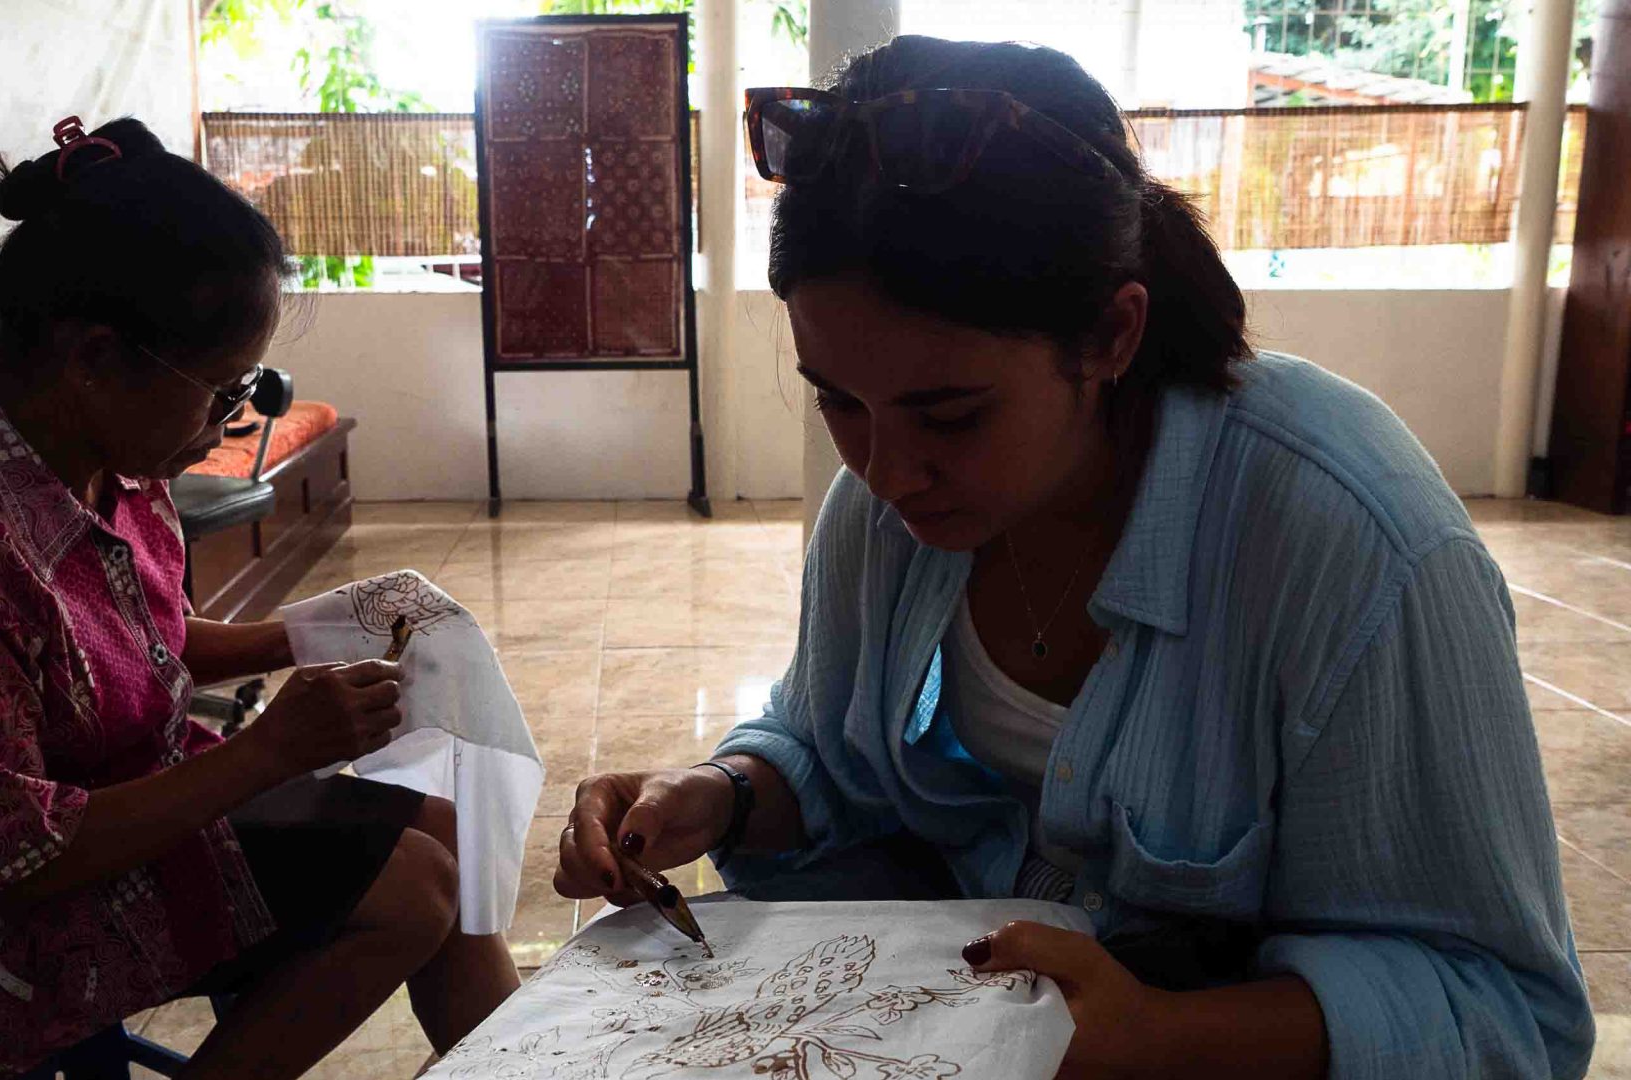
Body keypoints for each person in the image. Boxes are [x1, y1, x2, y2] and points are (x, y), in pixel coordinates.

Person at [555, 38, 1594, 1078]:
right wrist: (720, 788)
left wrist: (1165, 1039)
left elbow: (1504, 1012)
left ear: (1110, 336)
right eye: (836, 399)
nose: (884, 469)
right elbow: (831, 754)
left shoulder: (1351, 540)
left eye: (951, 415)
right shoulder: (883, 514)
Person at [0, 117, 519, 1080]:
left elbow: (148, 647)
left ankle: (535, 1063)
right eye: (220, 390)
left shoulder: (109, 464)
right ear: (95, 358)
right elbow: (13, 859)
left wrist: (328, 626)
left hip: (126, 799)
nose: (230, 420)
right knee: (412, 891)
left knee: (438, 830)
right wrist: (269, 751)